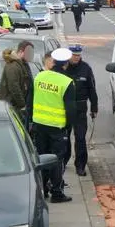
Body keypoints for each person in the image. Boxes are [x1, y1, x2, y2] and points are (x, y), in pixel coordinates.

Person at [32, 48, 76, 203]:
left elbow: (30, 99)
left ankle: (42, 189)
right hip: (57, 128)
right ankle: (57, 192)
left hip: (39, 125)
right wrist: (68, 127)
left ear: (54, 62)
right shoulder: (67, 82)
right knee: (57, 160)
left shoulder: (39, 76)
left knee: (42, 158)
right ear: (65, 65)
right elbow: (71, 110)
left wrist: (31, 122)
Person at [63, 44, 98, 176]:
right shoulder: (63, 68)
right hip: (65, 108)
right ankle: (64, 162)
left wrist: (94, 107)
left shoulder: (86, 68)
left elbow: (92, 89)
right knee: (64, 137)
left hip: (80, 108)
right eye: (74, 55)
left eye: (78, 55)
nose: (77, 58)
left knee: (80, 138)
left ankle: (80, 165)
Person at [0, 41, 35, 126]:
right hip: (15, 107)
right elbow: (14, 87)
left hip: (21, 107)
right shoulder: (13, 66)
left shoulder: (23, 64)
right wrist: (23, 105)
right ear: (21, 52)